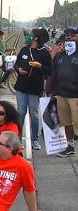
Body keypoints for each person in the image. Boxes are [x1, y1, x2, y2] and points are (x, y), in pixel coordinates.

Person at [14, 28, 52, 150]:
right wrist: (18, 69)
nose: (29, 36)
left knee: (34, 114)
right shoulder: (25, 49)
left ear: (36, 38)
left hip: (35, 89)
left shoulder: (44, 53)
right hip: (21, 87)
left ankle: (35, 140)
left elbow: (49, 70)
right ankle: (18, 139)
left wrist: (39, 66)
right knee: (20, 113)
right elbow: (17, 64)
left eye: (31, 34)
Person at [50, 27, 78, 157]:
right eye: (67, 36)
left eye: (73, 36)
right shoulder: (61, 55)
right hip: (62, 94)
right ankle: (70, 147)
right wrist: (52, 90)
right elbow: (54, 74)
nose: (69, 38)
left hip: (75, 96)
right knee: (67, 122)